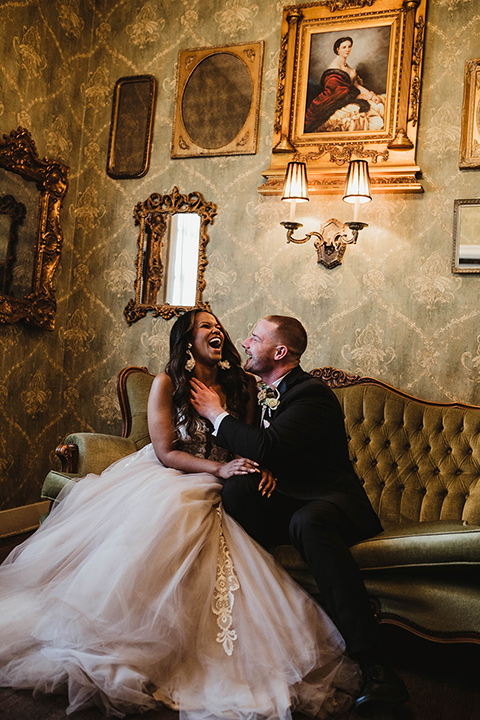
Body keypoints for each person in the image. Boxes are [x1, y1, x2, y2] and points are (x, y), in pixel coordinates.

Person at [0, 309, 360, 720]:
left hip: (225, 480)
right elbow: (166, 451)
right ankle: (132, 633)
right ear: (188, 340)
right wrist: (219, 469)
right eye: (206, 326)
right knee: (176, 509)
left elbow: (257, 442)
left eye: (219, 326)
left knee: (223, 507)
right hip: (173, 473)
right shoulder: (166, 383)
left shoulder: (242, 385)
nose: (221, 332)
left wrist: (256, 467)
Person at [190, 315, 409, 718]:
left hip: (333, 503)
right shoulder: (261, 393)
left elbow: (269, 444)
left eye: (254, 338)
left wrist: (217, 413)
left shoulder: (312, 394)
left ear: (279, 352)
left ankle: (378, 670)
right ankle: (246, 635)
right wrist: (259, 465)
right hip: (289, 498)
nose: (245, 342)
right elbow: (264, 450)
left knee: (307, 521)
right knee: (235, 490)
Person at [304, 36, 385, 133]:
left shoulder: (346, 65)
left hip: (349, 96)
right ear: (337, 49)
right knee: (371, 110)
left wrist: (372, 95)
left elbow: (356, 85)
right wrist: (358, 95)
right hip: (332, 102)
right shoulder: (334, 69)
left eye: (349, 46)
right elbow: (336, 94)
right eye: (344, 47)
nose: (347, 50)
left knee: (379, 103)